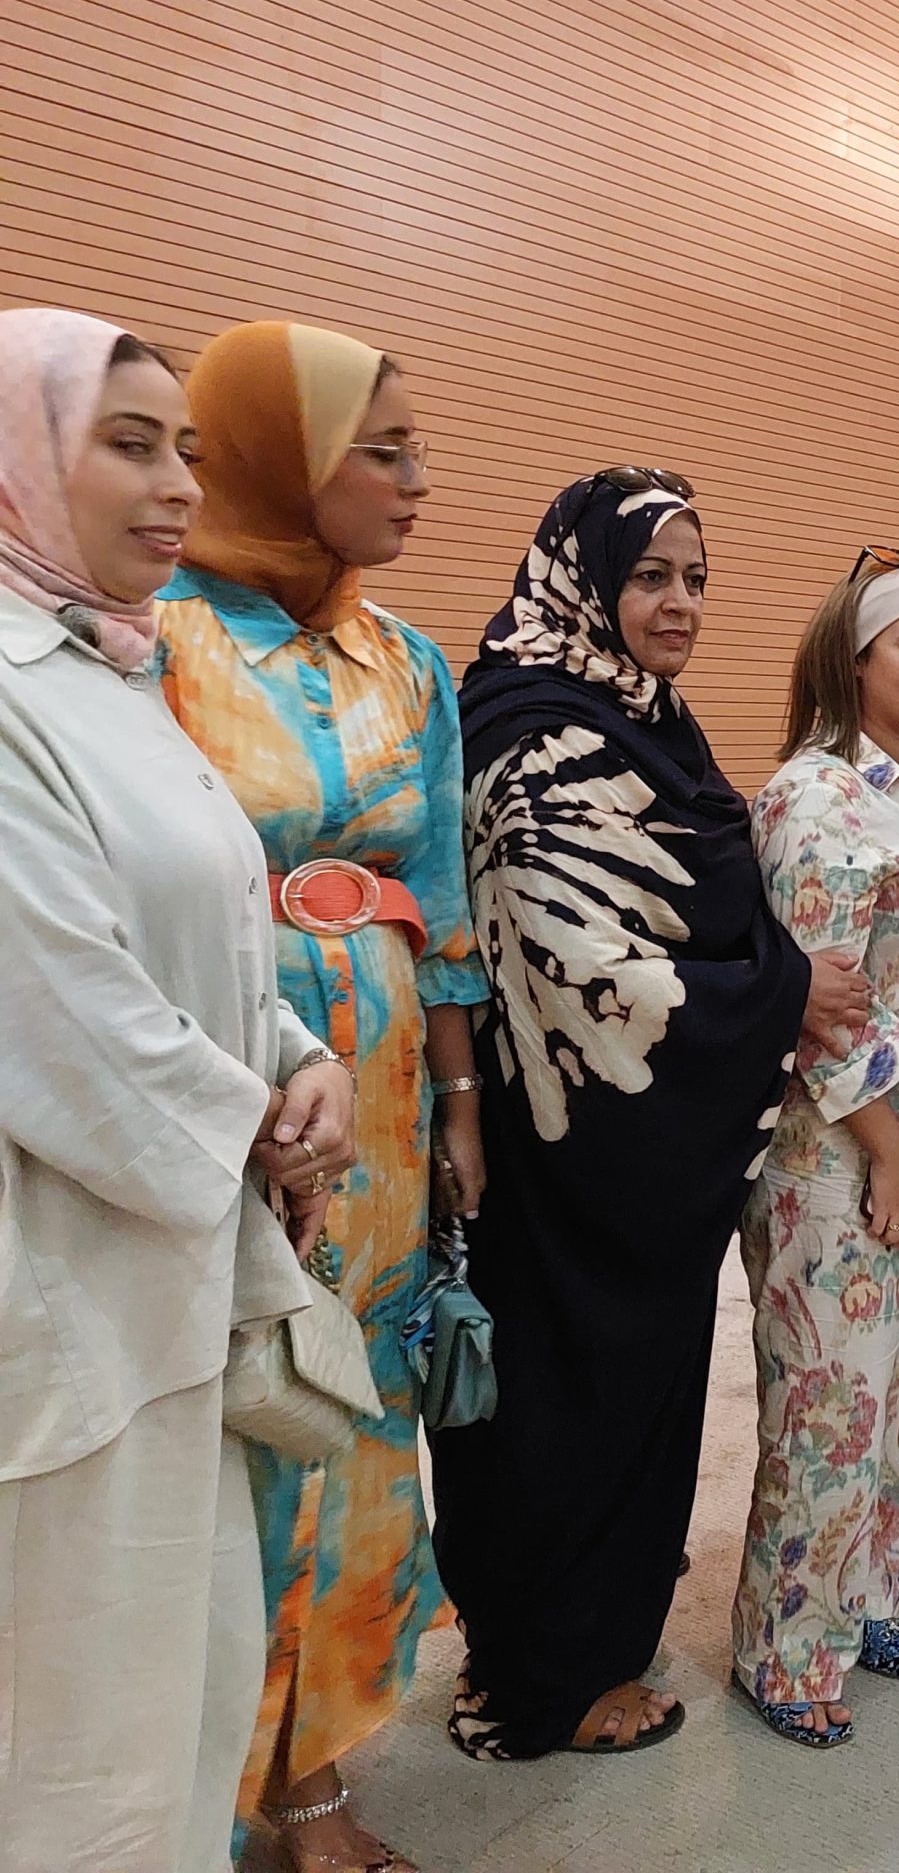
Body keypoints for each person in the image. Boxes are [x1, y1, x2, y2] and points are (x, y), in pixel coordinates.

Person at [0, 307, 355, 1872]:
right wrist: (257, 1137)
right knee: (76, 1747)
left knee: (181, 1706)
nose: (176, 488)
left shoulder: (106, 667)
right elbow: (59, 1013)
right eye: (129, 446)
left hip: (182, 1273)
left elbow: (209, 934)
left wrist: (302, 1060)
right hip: (73, 1300)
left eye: (186, 452)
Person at [432, 471, 855, 1761]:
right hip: (565, 1159)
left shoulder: (646, 716)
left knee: (633, 1400)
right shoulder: (527, 728)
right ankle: (544, 1680)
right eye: (651, 577)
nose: (679, 604)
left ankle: (585, 1637)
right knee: (562, 1402)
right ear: (585, 580)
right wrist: (784, 991)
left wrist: (765, 975)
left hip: (645, 1162)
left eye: (696, 580)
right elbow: (579, 968)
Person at [152, 320, 486, 1872]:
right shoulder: (150, 642)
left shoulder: (407, 660)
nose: (419, 481)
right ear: (285, 460)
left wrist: (461, 1103)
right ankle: (191, 1784)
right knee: (228, 1414)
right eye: (385, 450)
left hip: (390, 1104)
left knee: (357, 1409)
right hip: (223, 1088)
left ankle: (313, 1774)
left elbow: (443, 900)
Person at [730, 555, 899, 1742]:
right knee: (827, 1410)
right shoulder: (814, 797)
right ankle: (786, 1649)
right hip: (844, 1157)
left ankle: (869, 1602)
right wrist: (888, 1153)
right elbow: (819, 1005)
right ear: (854, 659)